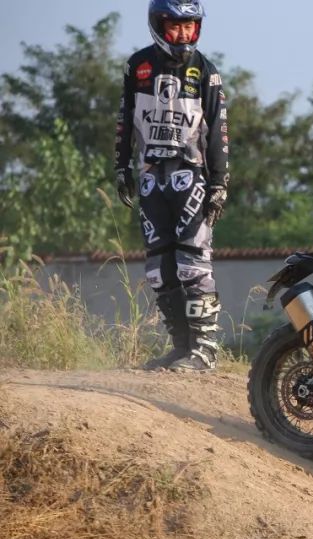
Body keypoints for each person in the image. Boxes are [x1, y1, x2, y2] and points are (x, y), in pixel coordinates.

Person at [115, 0, 229, 372]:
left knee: (192, 263)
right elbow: (125, 118)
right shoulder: (138, 66)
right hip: (151, 177)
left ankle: (205, 349)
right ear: (158, 24)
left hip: (192, 176)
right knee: (159, 268)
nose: (183, 34)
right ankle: (181, 347)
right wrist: (121, 167)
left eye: (190, 26)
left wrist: (219, 183)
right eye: (175, 26)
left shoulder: (206, 70)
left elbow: (219, 130)